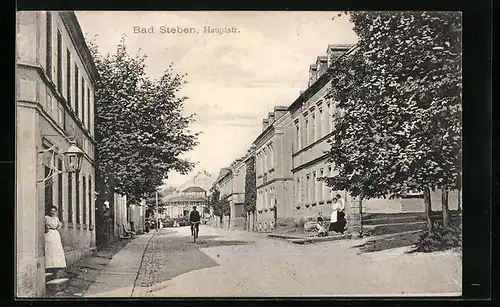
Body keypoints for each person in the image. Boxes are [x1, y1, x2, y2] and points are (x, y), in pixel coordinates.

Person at [45, 206, 66, 275]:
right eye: (51, 210)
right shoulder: (46, 217)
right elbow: (43, 224)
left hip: (55, 234)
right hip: (49, 234)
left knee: (56, 249)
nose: (52, 212)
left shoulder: (56, 219)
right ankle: (49, 265)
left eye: (54, 211)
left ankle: (57, 264)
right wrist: (46, 229)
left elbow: (60, 225)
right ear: (49, 211)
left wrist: (59, 227)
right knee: (49, 249)